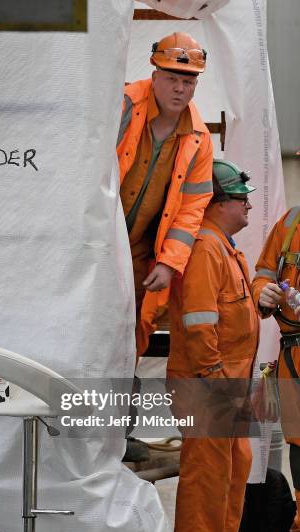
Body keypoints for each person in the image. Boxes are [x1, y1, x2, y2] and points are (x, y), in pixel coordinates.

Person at [117, 32, 213, 462]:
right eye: (173, 77)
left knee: (131, 336)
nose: (180, 88)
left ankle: (115, 438)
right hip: (94, 241)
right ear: (154, 73)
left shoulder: (198, 136)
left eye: (189, 81)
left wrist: (170, 263)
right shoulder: (121, 106)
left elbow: (193, 208)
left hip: (140, 251)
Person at [167, 159, 259, 532]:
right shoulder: (206, 248)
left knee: (231, 467)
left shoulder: (224, 248)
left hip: (228, 383)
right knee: (206, 471)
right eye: (242, 201)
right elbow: (199, 320)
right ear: (219, 204)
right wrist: (213, 374)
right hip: (209, 383)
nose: (248, 209)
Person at [249, 205, 300, 532]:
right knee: (299, 457)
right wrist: (262, 292)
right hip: (293, 357)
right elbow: (267, 270)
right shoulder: (292, 221)